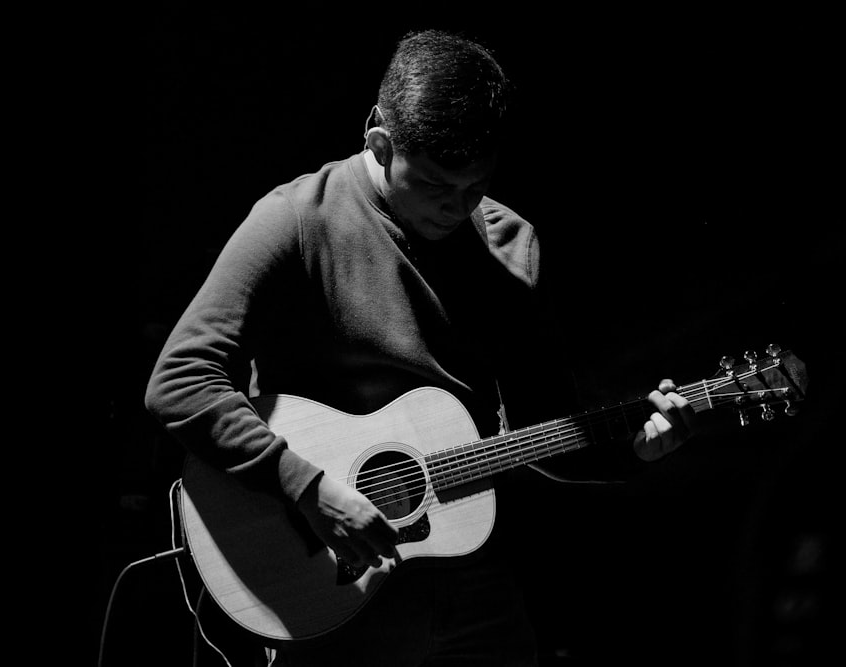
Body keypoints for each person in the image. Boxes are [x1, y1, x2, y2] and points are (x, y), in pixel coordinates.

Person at [145, 29, 696, 666]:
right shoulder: (297, 218)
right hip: (330, 581)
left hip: (470, 584)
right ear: (380, 142)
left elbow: (541, 431)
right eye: (437, 185)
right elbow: (180, 379)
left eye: (475, 186)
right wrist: (308, 486)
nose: (459, 207)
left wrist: (634, 450)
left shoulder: (510, 246)